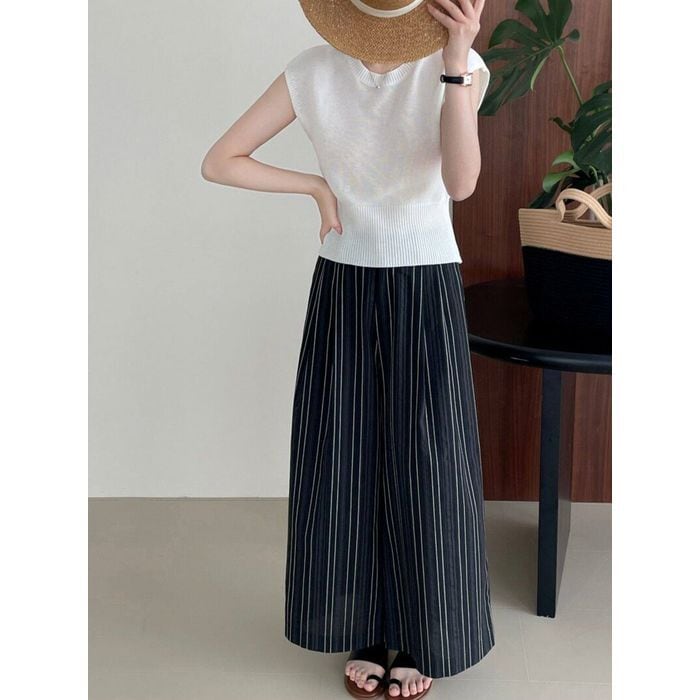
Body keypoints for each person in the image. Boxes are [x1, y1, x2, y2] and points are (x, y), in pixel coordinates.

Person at [201, 1, 495, 697]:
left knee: (430, 465)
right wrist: (313, 185)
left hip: (425, 280)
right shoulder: (313, 71)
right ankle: (363, 629)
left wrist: (455, 61)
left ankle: (424, 635)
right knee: (345, 462)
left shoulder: (459, 66)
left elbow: (460, 184)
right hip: (345, 281)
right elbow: (218, 162)